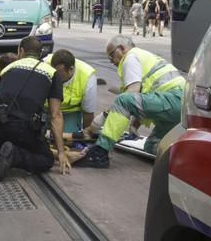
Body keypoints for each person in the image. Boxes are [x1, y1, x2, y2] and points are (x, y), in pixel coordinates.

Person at [77, 35, 185, 168]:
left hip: (174, 99)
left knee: (122, 99)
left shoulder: (130, 58)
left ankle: (100, 152)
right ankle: (187, 158)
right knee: (152, 146)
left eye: (111, 55)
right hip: (180, 107)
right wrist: (135, 125)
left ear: (121, 48)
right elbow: (141, 97)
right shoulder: (142, 56)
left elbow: (132, 93)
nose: (111, 61)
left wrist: (104, 117)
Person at [0, 36, 70, 180]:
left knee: (0, 156)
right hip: (22, 127)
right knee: (46, 160)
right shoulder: (52, 73)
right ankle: (15, 156)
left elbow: (0, 96)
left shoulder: (8, 68)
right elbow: (55, 115)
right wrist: (61, 152)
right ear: (40, 53)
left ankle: (2, 155)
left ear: (21, 51)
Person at [44, 49, 97, 133]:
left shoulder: (87, 77)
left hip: (69, 113)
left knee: (67, 138)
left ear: (71, 69)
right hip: (45, 109)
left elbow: (88, 113)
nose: (55, 78)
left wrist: (85, 135)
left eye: (59, 75)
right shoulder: (44, 64)